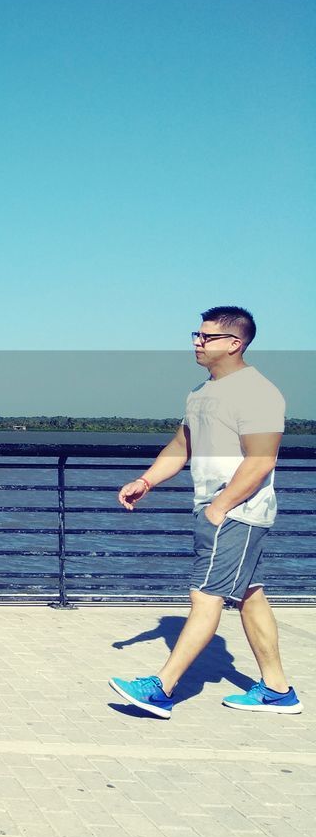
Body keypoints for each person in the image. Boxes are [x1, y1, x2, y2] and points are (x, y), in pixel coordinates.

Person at [109, 307, 301, 718]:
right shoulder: (201, 393)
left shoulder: (258, 392)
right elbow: (181, 447)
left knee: (205, 596)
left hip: (237, 512)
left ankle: (161, 688)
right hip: (221, 511)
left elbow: (262, 460)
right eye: (196, 334)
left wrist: (220, 507)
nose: (197, 341)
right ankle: (278, 691)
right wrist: (146, 481)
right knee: (250, 596)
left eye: (207, 336)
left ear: (234, 343)